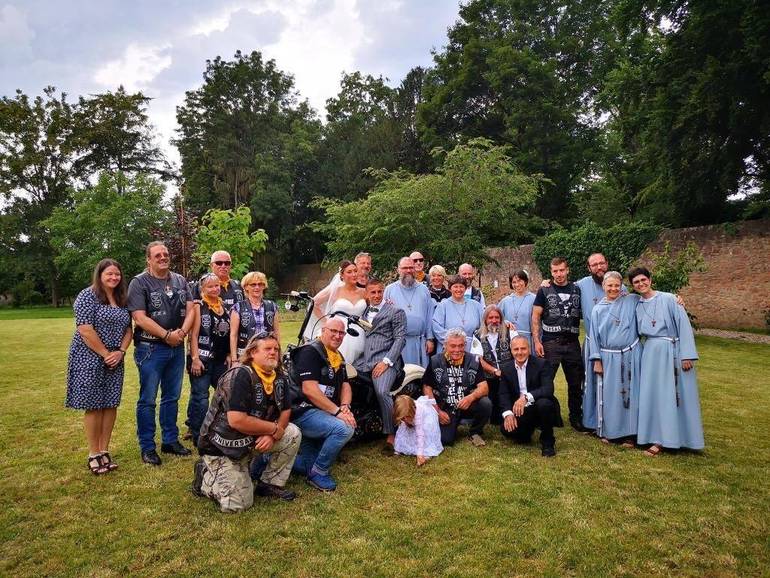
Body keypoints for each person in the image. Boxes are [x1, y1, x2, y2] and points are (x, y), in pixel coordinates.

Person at [193, 333, 301, 512]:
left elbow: (286, 410)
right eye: (267, 349)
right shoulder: (240, 375)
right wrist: (273, 429)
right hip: (222, 448)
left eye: (276, 349)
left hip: (251, 440)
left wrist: (275, 433)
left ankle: (270, 484)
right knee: (239, 505)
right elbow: (237, 420)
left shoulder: (279, 376)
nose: (273, 353)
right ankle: (205, 477)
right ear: (252, 353)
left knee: (292, 433)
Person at [127, 241, 194, 465]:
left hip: (176, 347)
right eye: (158, 255)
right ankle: (147, 446)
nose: (163, 257)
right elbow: (139, 317)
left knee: (171, 397)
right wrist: (166, 335)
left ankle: (170, 440)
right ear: (149, 259)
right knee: (148, 399)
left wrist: (182, 332)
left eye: (165, 254)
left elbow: (192, 308)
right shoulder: (139, 283)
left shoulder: (180, 280)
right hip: (151, 348)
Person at [66, 258, 133, 474]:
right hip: (90, 356)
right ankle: (93, 453)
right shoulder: (88, 296)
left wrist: (120, 352)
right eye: (109, 274)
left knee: (110, 404)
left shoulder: (122, 298)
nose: (114, 277)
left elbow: (129, 329)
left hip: (115, 358)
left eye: (117, 274)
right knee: (94, 405)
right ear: (100, 275)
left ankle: (105, 450)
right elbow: (85, 329)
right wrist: (105, 354)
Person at [629, 267, 704, 456]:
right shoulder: (636, 304)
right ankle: (656, 437)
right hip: (651, 353)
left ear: (650, 279)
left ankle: (680, 438)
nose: (641, 284)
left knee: (677, 396)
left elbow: (684, 326)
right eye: (636, 282)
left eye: (643, 280)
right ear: (632, 286)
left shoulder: (670, 299)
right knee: (654, 396)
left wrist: (686, 354)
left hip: (673, 351)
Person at [290, 317, 356, 491]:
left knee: (305, 466)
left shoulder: (337, 355)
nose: (337, 336)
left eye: (341, 333)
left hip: (322, 412)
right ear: (323, 331)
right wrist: (337, 412)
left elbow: (345, 385)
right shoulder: (310, 352)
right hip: (303, 412)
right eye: (333, 331)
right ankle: (319, 472)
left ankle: (269, 459)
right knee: (344, 428)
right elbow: (310, 390)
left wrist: (345, 407)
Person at [531, 257, 586, 432]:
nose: (559, 274)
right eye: (555, 271)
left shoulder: (578, 289)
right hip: (550, 342)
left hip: (572, 343)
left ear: (567, 270)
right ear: (551, 271)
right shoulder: (544, 290)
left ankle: (576, 417)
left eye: (562, 270)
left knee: (575, 383)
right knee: (546, 381)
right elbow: (535, 316)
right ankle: (548, 414)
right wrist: (537, 341)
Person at [587, 271, 641, 445]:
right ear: (603, 286)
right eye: (609, 285)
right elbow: (594, 336)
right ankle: (610, 432)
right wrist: (597, 360)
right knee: (610, 397)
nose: (613, 288)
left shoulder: (632, 301)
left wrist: (676, 298)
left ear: (622, 286)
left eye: (616, 285)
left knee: (630, 395)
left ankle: (631, 434)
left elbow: (650, 297)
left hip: (630, 355)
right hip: (607, 358)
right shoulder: (597, 309)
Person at [353, 279, 407, 451]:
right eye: (373, 292)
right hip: (364, 360)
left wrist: (386, 362)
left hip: (386, 360)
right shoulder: (364, 312)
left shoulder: (396, 311)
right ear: (367, 294)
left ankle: (391, 431)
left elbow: (400, 339)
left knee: (382, 391)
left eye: (379, 292)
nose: (376, 295)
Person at [423, 328, 492, 447]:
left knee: (486, 403)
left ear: (465, 345)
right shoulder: (435, 361)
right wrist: (437, 412)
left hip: (467, 403)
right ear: (445, 346)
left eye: (460, 346)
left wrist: (470, 398)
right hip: (447, 406)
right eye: (453, 346)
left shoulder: (474, 360)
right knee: (446, 440)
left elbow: (484, 387)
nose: (457, 350)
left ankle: (475, 432)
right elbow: (426, 387)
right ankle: (452, 424)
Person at [186, 273, 231, 446]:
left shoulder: (225, 307)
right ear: (202, 289)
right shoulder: (199, 307)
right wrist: (195, 358)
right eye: (210, 286)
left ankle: (218, 430)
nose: (214, 289)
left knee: (223, 395)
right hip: (202, 360)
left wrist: (228, 354)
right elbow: (194, 335)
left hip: (220, 360)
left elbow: (227, 334)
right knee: (200, 398)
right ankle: (198, 435)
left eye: (217, 285)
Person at [499, 336, 562, 457]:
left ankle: (547, 442)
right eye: (516, 349)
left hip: (538, 405)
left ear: (529, 349)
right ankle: (527, 431)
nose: (520, 352)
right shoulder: (506, 368)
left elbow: (548, 389)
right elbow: (503, 394)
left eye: (523, 348)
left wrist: (526, 397)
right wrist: (508, 414)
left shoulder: (542, 364)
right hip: (520, 410)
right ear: (511, 351)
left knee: (545, 403)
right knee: (508, 432)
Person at [305, 260, 366, 364]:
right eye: (349, 272)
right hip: (337, 331)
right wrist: (326, 322)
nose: (354, 274)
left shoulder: (364, 292)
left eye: (355, 271)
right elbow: (314, 303)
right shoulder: (335, 290)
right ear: (342, 275)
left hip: (358, 333)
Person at [383, 257, 435, 367]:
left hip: (419, 342)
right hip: (397, 343)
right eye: (405, 268)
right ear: (398, 270)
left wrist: (430, 338)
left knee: (419, 375)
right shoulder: (390, 290)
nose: (408, 271)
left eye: (411, 267)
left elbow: (429, 316)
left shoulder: (424, 289)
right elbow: (384, 316)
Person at [475, 305, 514, 425]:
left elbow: (518, 353)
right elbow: (478, 359)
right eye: (490, 317)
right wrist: (494, 371)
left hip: (508, 375)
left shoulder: (510, 331)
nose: (494, 320)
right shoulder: (477, 335)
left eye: (497, 317)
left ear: (501, 319)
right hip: (489, 378)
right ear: (485, 320)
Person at [229, 271, 280, 360]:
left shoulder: (272, 306)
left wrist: (278, 355)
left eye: (260, 284)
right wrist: (234, 359)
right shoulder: (237, 308)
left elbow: (276, 333)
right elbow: (233, 336)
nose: (257, 287)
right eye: (253, 285)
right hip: (245, 355)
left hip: (266, 354)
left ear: (264, 286)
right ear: (246, 287)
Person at [432, 275, 484, 353]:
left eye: (461, 287)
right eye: (455, 287)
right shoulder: (443, 306)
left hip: (472, 348)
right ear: (450, 288)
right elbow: (436, 327)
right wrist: (454, 343)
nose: (458, 289)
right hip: (450, 349)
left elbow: (485, 324)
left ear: (465, 288)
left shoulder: (476, 305)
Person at [392, 395, 443, 466]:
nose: (405, 419)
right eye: (403, 418)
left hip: (426, 420)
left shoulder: (419, 412)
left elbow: (420, 434)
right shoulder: (405, 416)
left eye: (407, 416)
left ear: (412, 410)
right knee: (405, 430)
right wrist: (407, 422)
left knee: (423, 433)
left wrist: (420, 454)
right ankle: (402, 448)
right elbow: (405, 422)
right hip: (413, 420)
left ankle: (426, 452)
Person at [498, 270, 537, 350]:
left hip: (528, 340)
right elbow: (496, 318)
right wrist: (505, 322)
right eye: (514, 282)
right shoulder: (505, 301)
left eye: (519, 281)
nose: (517, 284)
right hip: (510, 340)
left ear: (525, 281)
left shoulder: (534, 299)